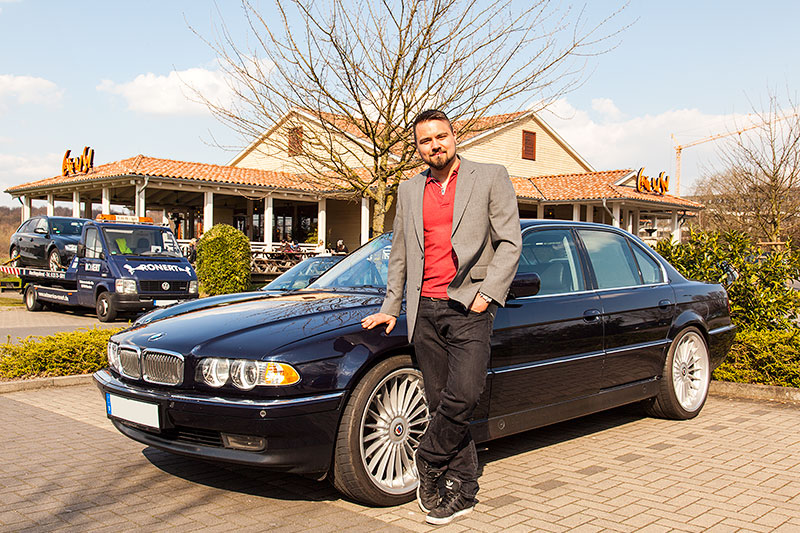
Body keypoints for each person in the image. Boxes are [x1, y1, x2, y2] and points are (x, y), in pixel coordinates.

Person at [361, 109, 521, 525]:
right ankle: (462, 489)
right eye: (425, 141)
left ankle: (428, 457)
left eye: (441, 137)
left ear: (454, 137)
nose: (435, 145)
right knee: (439, 401)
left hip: (469, 307)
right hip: (425, 310)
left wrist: (487, 295)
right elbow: (399, 254)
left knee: (464, 394)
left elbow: (510, 243)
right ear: (418, 148)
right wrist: (390, 307)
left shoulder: (489, 176)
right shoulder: (410, 189)